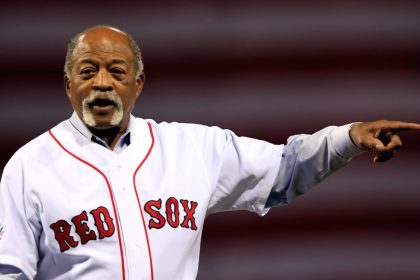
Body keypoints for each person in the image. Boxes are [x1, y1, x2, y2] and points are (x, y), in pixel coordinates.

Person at [0, 25, 419, 280]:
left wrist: (347, 137)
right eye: (88, 71)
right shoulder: (29, 166)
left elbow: (285, 169)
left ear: (139, 83)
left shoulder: (191, 148)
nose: (103, 83)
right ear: (69, 84)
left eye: (117, 71)